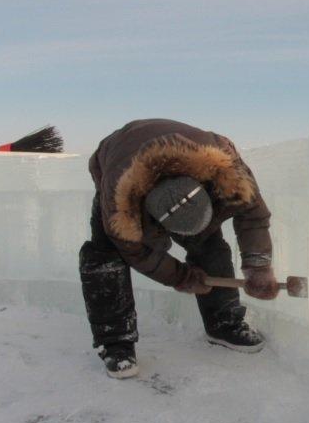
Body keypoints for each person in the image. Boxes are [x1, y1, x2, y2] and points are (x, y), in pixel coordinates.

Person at [80, 119, 279, 379]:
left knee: (210, 243)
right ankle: (116, 344)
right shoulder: (121, 198)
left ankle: (224, 323)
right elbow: (135, 252)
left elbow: (252, 215)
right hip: (117, 161)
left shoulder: (225, 166)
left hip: (187, 158)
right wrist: (181, 277)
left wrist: (258, 266)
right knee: (105, 256)